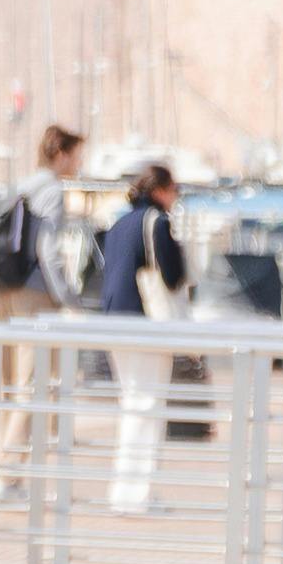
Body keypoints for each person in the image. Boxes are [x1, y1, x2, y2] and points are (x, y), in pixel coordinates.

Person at [0, 125, 83, 502]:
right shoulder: (52, 190)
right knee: (30, 386)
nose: (79, 162)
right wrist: (68, 297)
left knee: (6, 386)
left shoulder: (22, 184)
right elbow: (48, 250)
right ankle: (8, 476)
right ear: (63, 153)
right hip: (33, 296)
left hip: (0, 290)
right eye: (77, 155)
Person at [98, 164, 187, 517]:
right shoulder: (158, 222)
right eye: (175, 188)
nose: (176, 196)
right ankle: (136, 493)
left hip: (115, 319)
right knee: (147, 405)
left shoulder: (120, 222)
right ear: (161, 189)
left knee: (132, 402)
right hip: (146, 321)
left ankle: (124, 489)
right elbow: (174, 276)